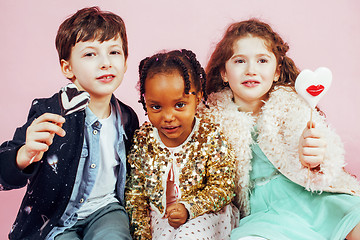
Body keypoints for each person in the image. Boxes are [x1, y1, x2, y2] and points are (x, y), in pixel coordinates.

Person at [199, 19, 360, 240]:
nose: (251, 70)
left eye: (262, 60)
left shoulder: (291, 106)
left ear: (277, 71)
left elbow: (324, 150)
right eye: (239, 61)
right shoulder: (209, 117)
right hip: (264, 213)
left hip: (313, 196)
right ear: (224, 73)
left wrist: (315, 157)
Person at [0, 7, 139, 240]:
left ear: (125, 62)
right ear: (68, 68)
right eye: (90, 54)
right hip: (54, 219)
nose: (105, 63)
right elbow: (4, 172)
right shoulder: (49, 112)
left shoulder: (127, 118)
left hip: (106, 210)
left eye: (114, 52)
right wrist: (24, 154)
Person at [125, 49, 238, 240]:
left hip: (207, 212)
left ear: (197, 98)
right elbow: (136, 195)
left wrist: (189, 208)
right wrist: (141, 235)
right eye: (156, 107)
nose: (168, 117)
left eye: (179, 105)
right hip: (161, 217)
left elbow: (223, 187)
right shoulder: (143, 139)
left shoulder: (210, 136)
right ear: (145, 102)